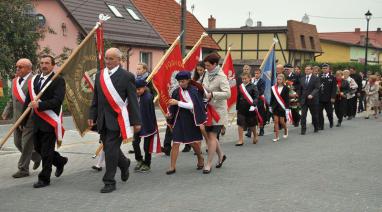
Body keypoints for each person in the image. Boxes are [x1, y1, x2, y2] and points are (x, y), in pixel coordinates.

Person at [89, 48, 141, 193]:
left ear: (119, 60)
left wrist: (136, 121)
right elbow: (96, 98)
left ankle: (109, 182)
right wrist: (91, 115)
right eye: (106, 58)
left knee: (110, 149)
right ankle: (124, 164)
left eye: (111, 58)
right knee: (109, 148)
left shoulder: (127, 76)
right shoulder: (100, 75)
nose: (108, 61)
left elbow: (133, 100)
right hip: (102, 119)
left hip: (118, 119)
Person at [23, 55, 67, 188]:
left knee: (47, 151)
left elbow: (57, 101)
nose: (44, 65)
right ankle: (60, 161)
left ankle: (44, 178)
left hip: (50, 120)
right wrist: (23, 122)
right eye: (42, 63)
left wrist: (40, 105)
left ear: (53, 65)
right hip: (36, 121)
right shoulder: (34, 80)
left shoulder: (58, 80)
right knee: (38, 148)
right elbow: (28, 101)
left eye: (47, 63)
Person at [1, 58, 41, 178]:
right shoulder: (14, 81)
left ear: (29, 68)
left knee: (26, 143)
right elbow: (11, 99)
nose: (17, 69)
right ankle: (36, 157)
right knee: (17, 143)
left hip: (30, 118)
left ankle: (23, 169)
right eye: (17, 66)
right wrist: (6, 111)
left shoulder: (35, 80)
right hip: (17, 118)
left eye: (21, 67)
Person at [166, 71, 206, 175]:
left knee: (192, 142)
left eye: (183, 81)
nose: (180, 84)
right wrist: (169, 114)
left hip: (190, 118)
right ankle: (172, 166)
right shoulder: (176, 91)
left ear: (188, 80)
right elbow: (172, 105)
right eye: (179, 81)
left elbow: (193, 106)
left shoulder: (194, 90)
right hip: (178, 119)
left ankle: (200, 157)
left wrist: (178, 102)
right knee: (175, 142)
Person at [201, 53, 230, 174]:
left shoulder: (221, 76)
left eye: (208, 65)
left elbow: (228, 94)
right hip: (208, 109)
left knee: (212, 136)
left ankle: (208, 164)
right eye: (205, 65)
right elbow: (206, 87)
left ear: (214, 64)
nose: (206, 67)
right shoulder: (207, 73)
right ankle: (221, 155)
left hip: (218, 112)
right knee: (209, 135)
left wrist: (213, 94)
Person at [132, 79, 159, 173]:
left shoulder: (147, 98)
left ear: (144, 88)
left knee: (147, 146)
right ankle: (139, 160)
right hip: (137, 124)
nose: (137, 91)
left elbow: (148, 113)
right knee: (135, 143)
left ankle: (147, 163)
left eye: (139, 89)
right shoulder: (135, 96)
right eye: (135, 89)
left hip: (147, 124)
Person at [235, 72, 259, 146]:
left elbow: (256, 96)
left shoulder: (253, 86)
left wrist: (254, 104)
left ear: (249, 78)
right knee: (240, 123)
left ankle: (255, 135)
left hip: (250, 108)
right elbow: (238, 97)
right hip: (242, 107)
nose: (244, 80)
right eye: (243, 79)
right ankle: (240, 140)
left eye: (245, 78)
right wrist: (237, 108)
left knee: (252, 124)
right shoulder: (240, 86)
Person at [297, 65, 320, 135]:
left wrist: (312, 94)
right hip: (304, 100)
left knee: (314, 115)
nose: (306, 70)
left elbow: (317, 88)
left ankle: (316, 127)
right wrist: (298, 100)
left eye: (308, 69)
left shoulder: (315, 78)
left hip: (312, 100)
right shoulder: (302, 78)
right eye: (305, 69)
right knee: (303, 116)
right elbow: (300, 90)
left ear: (311, 70)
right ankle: (303, 130)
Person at [270, 74, 289, 141]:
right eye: (278, 79)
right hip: (275, 107)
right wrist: (270, 106)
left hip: (282, 107)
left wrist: (287, 108)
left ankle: (286, 130)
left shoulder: (286, 88)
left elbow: (287, 99)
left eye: (280, 79)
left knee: (282, 122)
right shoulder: (273, 88)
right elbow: (272, 98)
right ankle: (276, 137)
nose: (279, 80)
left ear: (283, 80)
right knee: (276, 122)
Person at [318, 64, 337, 130]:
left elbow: (334, 88)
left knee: (329, 112)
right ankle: (321, 125)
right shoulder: (319, 76)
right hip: (320, 98)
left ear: (329, 69)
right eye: (323, 68)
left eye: (326, 68)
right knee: (319, 112)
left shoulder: (332, 77)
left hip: (328, 98)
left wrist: (333, 97)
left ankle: (331, 122)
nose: (324, 69)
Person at [252, 68, 266, 136]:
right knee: (252, 115)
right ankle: (250, 131)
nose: (256, 75)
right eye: (255, 73)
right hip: (252, 100)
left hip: (259, 100)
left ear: (260, 74)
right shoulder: (252, 81)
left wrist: (255, 95)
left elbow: (262, 91)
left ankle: (261, 129)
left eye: (257, 73)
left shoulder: (262, 81)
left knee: (260, 115)